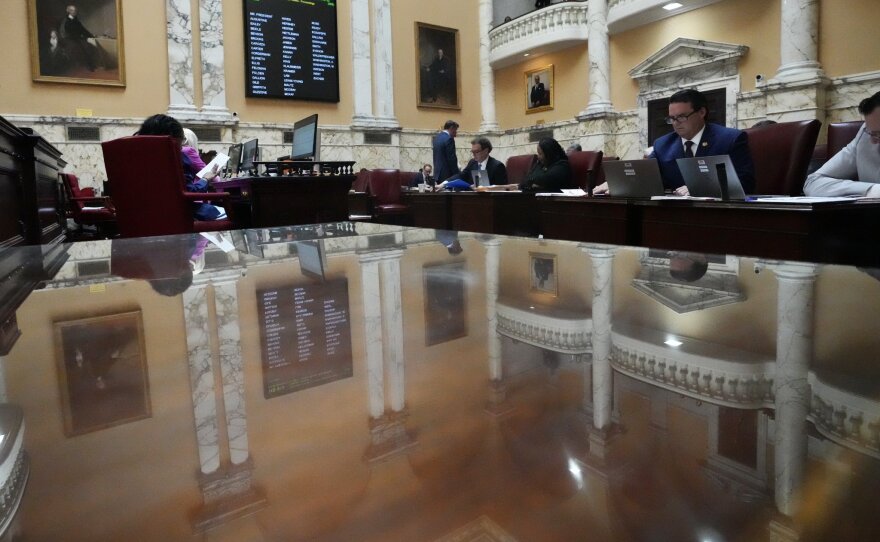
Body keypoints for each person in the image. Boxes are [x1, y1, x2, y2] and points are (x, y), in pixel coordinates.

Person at [647, 88, 755, 195]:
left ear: (702, 112)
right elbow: (648, 180)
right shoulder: (662, 145)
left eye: (681, 117)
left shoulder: (730, 139)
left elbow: (746, 183)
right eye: (672, 118)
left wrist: (700, 188)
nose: (676, 123)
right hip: (675, 209)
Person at [135, 114, 225, 221]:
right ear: (174, 139)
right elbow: (190, 193)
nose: (182, 147)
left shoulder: (132, 156)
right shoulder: (176, 156)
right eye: (181, 141)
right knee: (235, 214)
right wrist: (205, 179)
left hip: (139, 219)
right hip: (180, 217)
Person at [804, 91, 880, 197]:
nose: (873, 141)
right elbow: (813, 182)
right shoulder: (865, 135)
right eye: (872, 133)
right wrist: (871, 190)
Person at [59, 4, 99, 72]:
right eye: (74, 10)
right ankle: (90, 67)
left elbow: (82, 29)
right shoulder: (66, 21)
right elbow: (69, 33)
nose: (75, 11)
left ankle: (92, 65)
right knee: (83, 50)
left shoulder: (76, 20)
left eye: (75, 10)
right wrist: (81, 37)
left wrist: (91, 35)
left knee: (90, 46)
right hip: (71, 40)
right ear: (69, 11)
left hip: (78, 38)